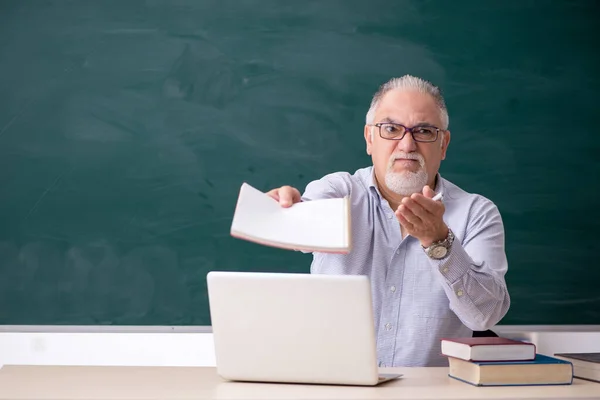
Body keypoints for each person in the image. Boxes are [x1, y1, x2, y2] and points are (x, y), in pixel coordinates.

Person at [266, 75, 510, 367]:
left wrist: (440, 242)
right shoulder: (339, 193)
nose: (407, 145)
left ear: (443, 144)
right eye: (391, 129)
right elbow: (299, 228)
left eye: (423, 131)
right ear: (369, 138)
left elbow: (484, 316)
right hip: (336, 388)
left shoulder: (476, 214)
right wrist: (284, 212)